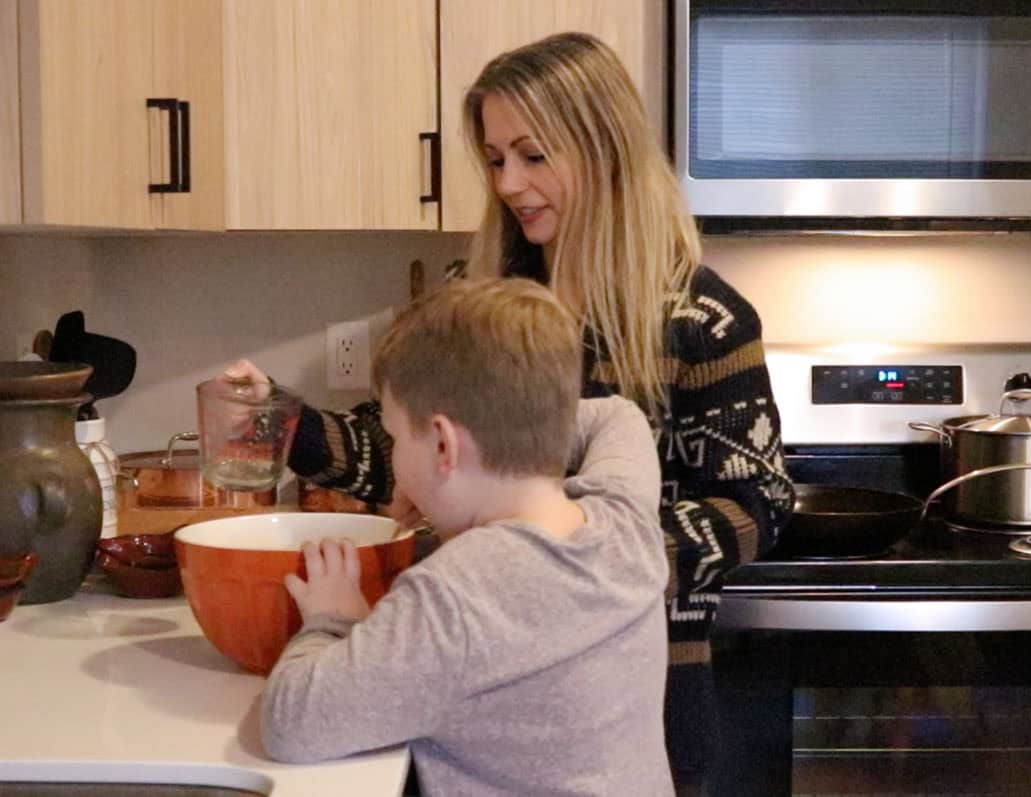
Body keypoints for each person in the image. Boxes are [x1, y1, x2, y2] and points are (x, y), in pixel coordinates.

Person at [232, 30, 794, 782]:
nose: (507, 183)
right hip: (472, 687)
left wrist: (558, 578)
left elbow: (759, 505)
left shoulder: (702, 320)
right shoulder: (480, 292)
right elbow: (414, 454)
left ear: (602, 147)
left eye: (532, 156)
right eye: (495, 159)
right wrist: (286, 419)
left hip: (640, 691)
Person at [260, 277, 674, 796]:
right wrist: (523, 425)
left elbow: (291, 723)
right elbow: (619, 415)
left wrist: (330, 621)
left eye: (392, 435)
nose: (392, 455)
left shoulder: (455, 597)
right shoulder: (626, 520)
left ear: (442, 444)